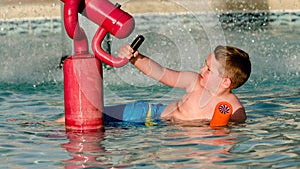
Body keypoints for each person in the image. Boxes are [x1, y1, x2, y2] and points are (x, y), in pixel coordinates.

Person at [56, 44, 251, 125]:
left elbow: (225, 139)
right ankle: (47, 126)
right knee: (90, 117)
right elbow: (162, 74)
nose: (201, 70)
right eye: (204, 65)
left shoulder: (234, 109)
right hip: (151, 113)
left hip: (162, 130)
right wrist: (136, 58)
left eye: (208, 69)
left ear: (225, 81)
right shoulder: (195, 82)